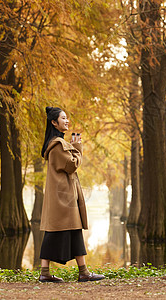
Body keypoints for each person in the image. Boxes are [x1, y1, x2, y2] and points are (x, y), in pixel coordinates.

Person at [38, 106, 105, 283]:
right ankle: (79, 272)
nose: (67, 121)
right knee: (60, 232)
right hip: (63, 197)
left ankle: (66, 272)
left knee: (63, 232)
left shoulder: (57, 144)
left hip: (63, 195)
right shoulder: (57, 145)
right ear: (54, 122)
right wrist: (77, 147)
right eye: (63, 118)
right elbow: (71, 165)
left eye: (67, 118)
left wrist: (73, 147)